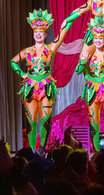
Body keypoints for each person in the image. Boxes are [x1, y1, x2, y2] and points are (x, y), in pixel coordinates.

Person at [10, 10, 73, 149]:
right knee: (31, 121)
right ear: (33, 34)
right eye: (36, 32)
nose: (38, 34)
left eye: (41, 32)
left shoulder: (50, 48)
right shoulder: (27, 51)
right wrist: (22, 74)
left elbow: (61, 36)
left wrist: (67, 22)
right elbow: (13, 61)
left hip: (46, 87)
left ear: (45, 34)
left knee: (45, 121)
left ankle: (43, 150)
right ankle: (32, 151)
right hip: (30, 87)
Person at [75, 16, 104, 151]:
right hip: (92, 89)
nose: (98, 41)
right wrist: (83, 62)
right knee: (93, 121)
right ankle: (96, 150)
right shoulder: (88, 54)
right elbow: (78, 71)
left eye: (101, 38)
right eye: (96, 39)